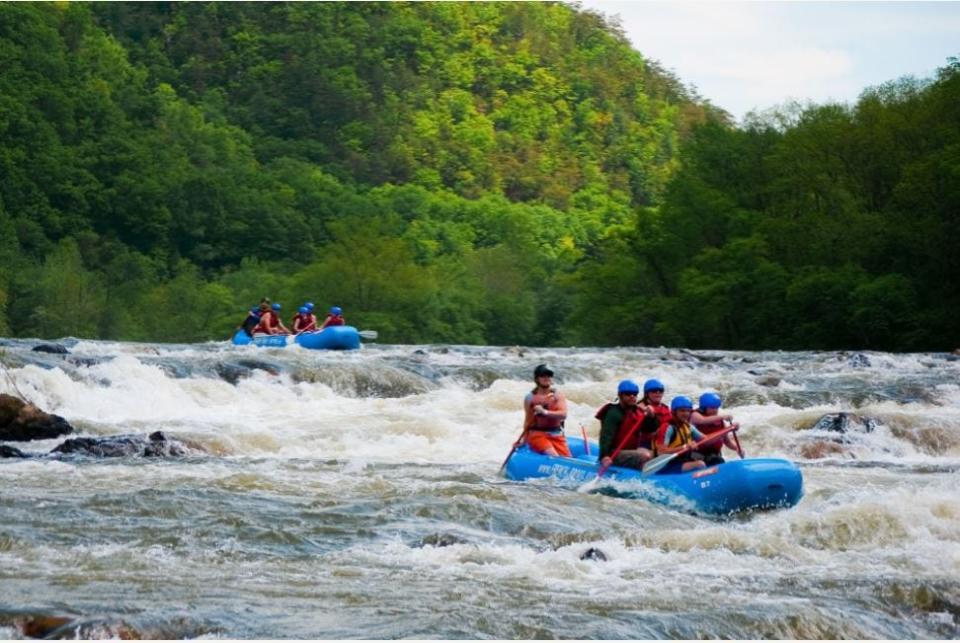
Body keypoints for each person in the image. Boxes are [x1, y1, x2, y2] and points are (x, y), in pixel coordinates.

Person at [595, 379, 655, 470]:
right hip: (613, 453)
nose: (632, 396)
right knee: (644, 456)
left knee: (654, 455)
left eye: (634, 394)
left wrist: (651, 417)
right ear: (620, 395)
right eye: (628, 394)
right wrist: (605, 456)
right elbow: (606, 436)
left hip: (630, 451)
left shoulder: (638, 411)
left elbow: (650, 429)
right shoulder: (614, 413)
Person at [522, 364, 571, 457]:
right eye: (543, 376)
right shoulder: (530, 398)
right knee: (555, 457)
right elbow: (527, 421)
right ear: (537, 379)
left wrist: (545, 412)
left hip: (556, 434)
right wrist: (523, 440)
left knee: (568, 459)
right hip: (538, 434)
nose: (546, 378)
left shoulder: (557, 395)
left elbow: (563, 415)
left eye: (549, 375)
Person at [654, 396, 708, 472]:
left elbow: (706, 439)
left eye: (688, 411)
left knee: (712, 460)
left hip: (682, 460)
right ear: (674, 412)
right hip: (667, 464)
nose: (686, 413)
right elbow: (661, 452)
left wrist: (726, 431)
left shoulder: (688, 426)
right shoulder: (667, 428)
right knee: (700, 464)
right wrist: (684, 447)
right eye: (682, 411)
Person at [691, 392, 742, 464]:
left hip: (714, 455)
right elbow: (702, 421)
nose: (715, 410)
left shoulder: (720, 422)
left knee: (717, 460)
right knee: (716, 461)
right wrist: (723, 419)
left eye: (716, 408)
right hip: (697, 455)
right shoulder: (695, 415)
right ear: (703, 408)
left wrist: (737, 448)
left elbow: (727, 441)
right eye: (712, 408)